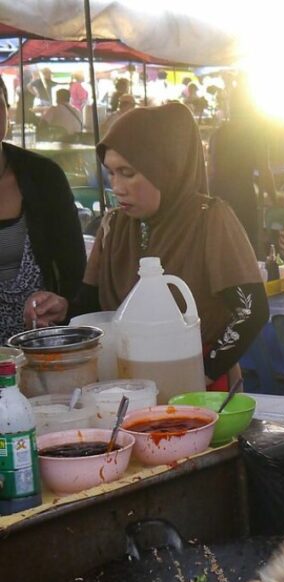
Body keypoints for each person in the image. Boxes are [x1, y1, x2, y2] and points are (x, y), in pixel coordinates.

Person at [28, 103, 269, 390]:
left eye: (128, 173)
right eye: (111, 173)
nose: (117, 187)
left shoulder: (209, 219)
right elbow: (93, 305)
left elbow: (251, 311)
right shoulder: (112, 226)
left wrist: (198, 372)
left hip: (200, 387)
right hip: (124, 382)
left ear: (165, 170)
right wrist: (63, 308)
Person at [0, 79, 85, 341]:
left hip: (42, 349)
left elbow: (74, 268)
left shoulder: (44, 176)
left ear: (7, 109)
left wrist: (63, 304)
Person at [208, 86, 276, 251]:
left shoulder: (218, 134)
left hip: (218, 195)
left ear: (231, 107)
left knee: (222, 245)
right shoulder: (255, 133)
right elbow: (264, 170)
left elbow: (210, 170)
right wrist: (274, 199)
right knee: (246, 245)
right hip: (243, 195)